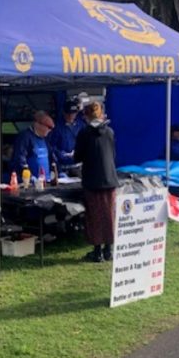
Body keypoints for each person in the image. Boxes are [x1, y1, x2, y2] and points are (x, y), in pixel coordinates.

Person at [74, 102, 119, 263]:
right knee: (109, 215)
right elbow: (113, 154)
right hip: (109, 179)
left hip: (92, 180)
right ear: (101, 114)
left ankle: (97, 251)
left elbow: (77, 157)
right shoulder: (109, 132)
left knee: (94, 216)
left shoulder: (84, 133)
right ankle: (109, 250)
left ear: (86, 116)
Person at [11, 110, 56, 180]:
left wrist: (58, 172)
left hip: (47, 181)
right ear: (37, 124)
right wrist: (30, 177)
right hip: (32, 183)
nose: (49, 131)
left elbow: (52, 157)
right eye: (48, 127)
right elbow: (20, 160)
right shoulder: (25, 137)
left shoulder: (46, 139)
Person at [48, 100, 85, 175]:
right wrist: (61, 154)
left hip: (78, 165)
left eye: (73, 113)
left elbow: (86, 142)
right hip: (63, 166)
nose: (71, 116)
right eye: (69, 113)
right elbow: (52, 145)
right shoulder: (57, 127)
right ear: (64, 113)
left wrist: (78, 152)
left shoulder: (81, 125)